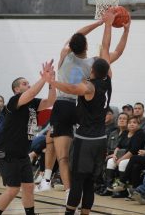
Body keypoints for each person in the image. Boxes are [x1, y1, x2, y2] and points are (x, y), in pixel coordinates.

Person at [36, 11, 130, 194]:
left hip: (64, 103)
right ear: (86, 46)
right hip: (80, 109)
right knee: (50, 139)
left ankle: (60, 186)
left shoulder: (65, 54)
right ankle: (47, 177)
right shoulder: (95, 65)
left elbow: (77, 37)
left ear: (72, 45)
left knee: (62, 155)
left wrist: (101, 22)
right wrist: (123, 30)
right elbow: (116, 51)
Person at [0, 60, 56, 215]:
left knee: (28, 186)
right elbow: (32, 92)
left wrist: (51, 82)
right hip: (6, 152)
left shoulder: (33, 103)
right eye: (25, 83)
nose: (28, 85)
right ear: (16, 89)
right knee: (13, 189)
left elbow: (51, 101)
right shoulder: (14, 101)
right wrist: (44, 78)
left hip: (21, 153)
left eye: (28, 83)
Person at [48, 58, 112, 215]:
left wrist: (51, 81)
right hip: (101, 140)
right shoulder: (108, 81)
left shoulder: (90, 87)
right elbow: (107, 53)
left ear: (92, 70)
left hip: (86, 141)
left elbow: (70, 89)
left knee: (77, 182)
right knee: (89, 183)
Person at [111, 116, 145, 193]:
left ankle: (122, 181)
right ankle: (135, 191)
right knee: (135, 167)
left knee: (134, 158)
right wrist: (144, 153)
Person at [103, 116, 145, 196]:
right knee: (110, 161)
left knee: (122, 163)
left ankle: (123, 191)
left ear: (139, 125)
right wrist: (115, 155)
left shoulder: (140, 134)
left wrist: (120, 159)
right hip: (122, 156)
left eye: (134, 123)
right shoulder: (126, 132)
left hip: (133, 157)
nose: (131, 124)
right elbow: (118, 146)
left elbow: (133, 151)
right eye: (130, 123)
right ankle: (109, 188)